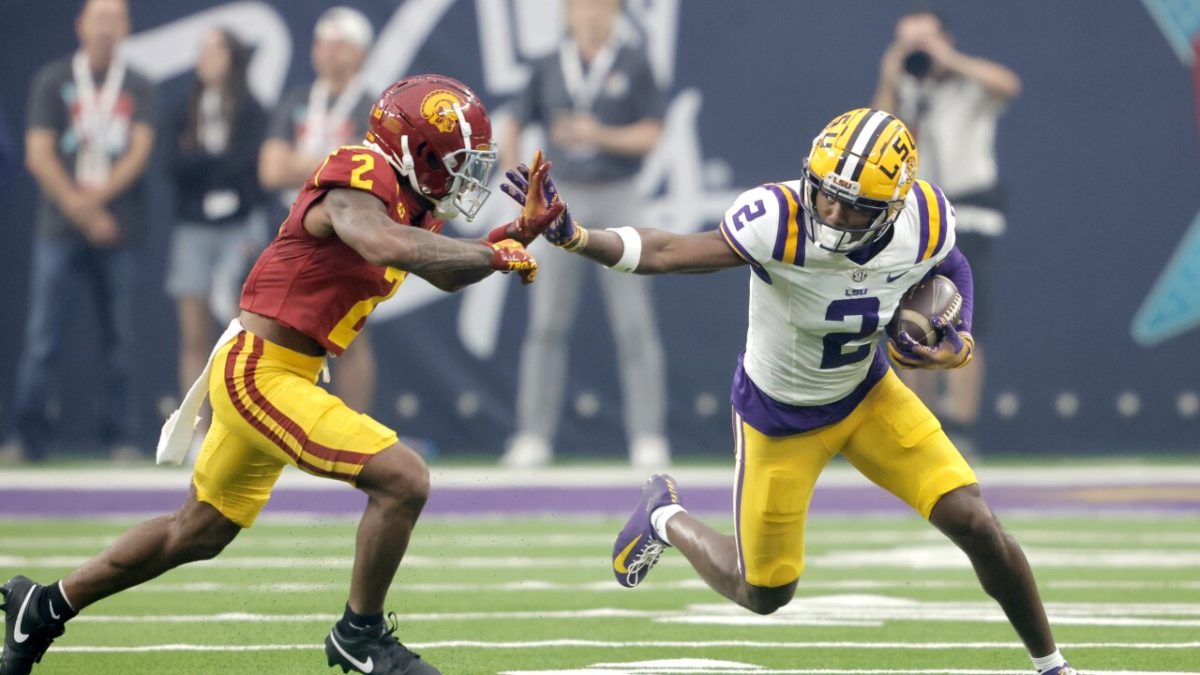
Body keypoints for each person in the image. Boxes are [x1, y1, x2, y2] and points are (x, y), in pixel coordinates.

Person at [1, 74, 563, 675]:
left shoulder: (409, 205)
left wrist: (509, 238)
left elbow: (442, 269)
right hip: (261, 372)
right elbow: (378, 243)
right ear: (411, 149)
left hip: (282, 370)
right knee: (403, 479)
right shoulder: (360, 173)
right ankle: (360, 635)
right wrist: (489, 251)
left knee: (194, 532)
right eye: (449, 162)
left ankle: (45, 604)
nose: (459, 178)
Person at [504, 108, 1079, 675]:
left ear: (893, 208)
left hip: (868, 394)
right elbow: (669, 251)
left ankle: (1052, 666)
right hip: (779, 419)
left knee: (974, 520)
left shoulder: (924, 217)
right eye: (825, 193)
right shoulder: (777, 218)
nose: (830, 210)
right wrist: (577, 237)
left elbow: (953, 265)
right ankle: (664, 516)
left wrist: (961, 338)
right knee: (764, 593)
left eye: (853, 206)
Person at [500, 0, 670, 469]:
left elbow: (653, 134)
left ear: (616, 12)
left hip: (618, 195)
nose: (592, 14)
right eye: (582, 5)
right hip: (561, 196)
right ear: (568, 13)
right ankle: (533, 434)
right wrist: (522, 182)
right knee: (546, 321)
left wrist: (598, 135)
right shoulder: (549, 63)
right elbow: (514, 121)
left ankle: (648, 434)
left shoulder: (633, 61)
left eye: (601, 5)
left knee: (634, 321)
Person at [871, 9, 1022, 457]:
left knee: (958, 320)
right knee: (907, 321)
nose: (917, 48)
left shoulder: (968, 83)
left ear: (945, 39)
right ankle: (917, 427)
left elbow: (1007, 85)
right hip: (915, 216)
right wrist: (892, 76)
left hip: (969, 212)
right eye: (907, 40)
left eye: (924, 39)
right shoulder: (906, 91)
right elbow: (875, 135)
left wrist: (948, 61)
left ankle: (961, 428)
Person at [13, 0, 156, 462]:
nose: (106, 28)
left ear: (127, 27)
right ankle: (29, 439)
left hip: (119, 229)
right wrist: (84, 210)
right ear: (80, 26)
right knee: (42, 336)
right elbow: (39, 153)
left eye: (115, 19)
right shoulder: (53, 81)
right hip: (60, 227)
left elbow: (138, 153)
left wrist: (92, 207)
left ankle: (121, 437)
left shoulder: (139, 85)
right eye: (99, 18)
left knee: (120, 338)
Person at [258, 6, 381, 417]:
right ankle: (286, 426)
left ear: (361, 53)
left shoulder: (373, 106)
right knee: (275, 329)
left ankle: (356, 428)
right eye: (324, 44)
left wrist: (304, 163)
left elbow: (370, 174)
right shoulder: (298, 99)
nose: (330, 53)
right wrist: (334, 162)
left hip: (347, 231)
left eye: (341, 44)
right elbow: (271, 169)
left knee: (350, 333)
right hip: (292, 228)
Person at [166, 27, 267, 441]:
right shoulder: (183, 108)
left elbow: (248, 167)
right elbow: (173, 166)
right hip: (193, 227)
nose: (205, 57)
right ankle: (194, 432)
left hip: (239, 226)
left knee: (238, 334)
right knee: (194, 334)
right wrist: (214, 164)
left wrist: (203, 162)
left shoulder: (252, 109)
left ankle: (237, 430)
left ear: (232, 56)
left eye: (214, 49)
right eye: (201, 49)